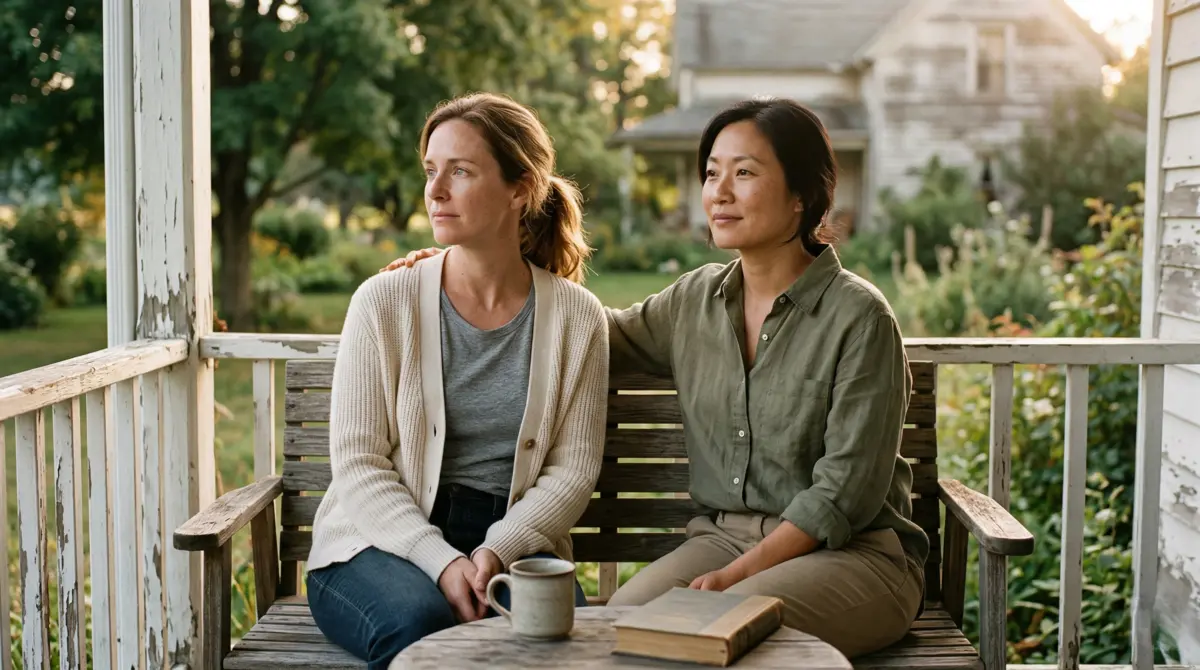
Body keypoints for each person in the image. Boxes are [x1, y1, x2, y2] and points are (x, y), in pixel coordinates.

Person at [380, 97, 929, 659]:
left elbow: (842, 496)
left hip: (852, 555)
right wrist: (460, 276)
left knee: (703, 632)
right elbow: (584, 333)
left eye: (744, 173)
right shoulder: (696, 300)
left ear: (802, 195)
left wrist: (737, 577)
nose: (719, 192)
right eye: (711, 173)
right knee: (612, 630)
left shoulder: (860, 318)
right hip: (723, 539)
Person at [305, 92, 609, 669]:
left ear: (520, 190)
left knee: (548, 643)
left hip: (514, 536)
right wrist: (441, 561)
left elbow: (572, 471)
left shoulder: (576, 317)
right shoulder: (383, 301)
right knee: (420, 626)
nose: (436, 191)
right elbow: (359, 463)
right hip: (377, 540)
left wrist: (498, 549)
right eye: (430, 171)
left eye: (461, 171)